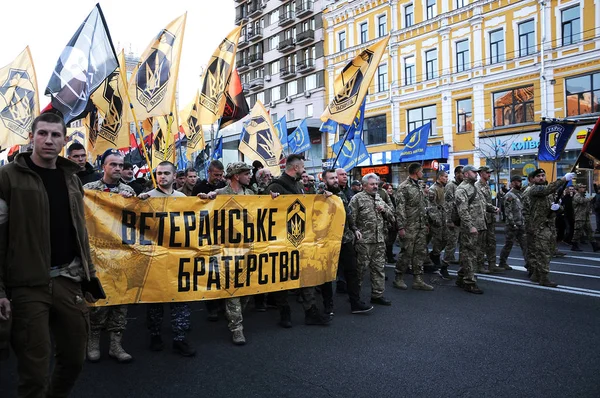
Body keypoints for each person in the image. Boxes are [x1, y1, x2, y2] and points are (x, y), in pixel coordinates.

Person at [0, 112, 102, 397]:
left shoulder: (71, 179)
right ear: (31, 137)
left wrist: (88, 275)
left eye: (55, 135)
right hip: (27, 286)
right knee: (34, 371)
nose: (48, 140)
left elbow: (80, 233)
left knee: (74, 359)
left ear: (64, 140)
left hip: (67, 281)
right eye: (42, 133)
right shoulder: (7, 178)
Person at [137, 161, 195, 356]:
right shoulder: (147, 198)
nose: (162, 176)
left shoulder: (182, 198)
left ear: (174, 175)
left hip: (178, 257)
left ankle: (180, 338)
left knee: (180, 298)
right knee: (155, 300)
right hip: (155, 257)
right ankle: (155, 335)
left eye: (166, 173)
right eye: (159, 173)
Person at [83, 149, 136, 363]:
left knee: (120, 301)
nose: (117, 168)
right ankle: (93, 340)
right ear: (103, 166)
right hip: (96, 254)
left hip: (120, 254)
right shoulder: (88, 190)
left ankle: (116, 344)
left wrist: (132, 201)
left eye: (120, 165)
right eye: (113, 164)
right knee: (97, 300)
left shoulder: (128, 190)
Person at [266, 154, 331, 327]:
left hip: (301, 238)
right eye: (303, 167)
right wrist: (270, 200)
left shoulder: (299, 185)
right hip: (282, 240)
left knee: (307, 274)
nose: (304, 170)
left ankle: (310, 311)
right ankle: (284, 312)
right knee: (282, 278)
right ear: (295, 168)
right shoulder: (275, 186)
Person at [321, 169, 373, 314]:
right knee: (327, 275)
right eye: (331, 179)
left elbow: (347, 213)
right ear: (324, 181)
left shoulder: (341, 194)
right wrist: (324, 197)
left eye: (335, 178)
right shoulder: (320, 196)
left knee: (352, 271)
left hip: (345, 239)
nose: (335, 181)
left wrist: (354, 228)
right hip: (328, 242)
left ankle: (355, 303)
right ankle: (328, 306)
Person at [349, 173, 394, 305]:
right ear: (364, 186)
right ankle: (355, 296)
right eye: (372, 184)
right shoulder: (357, 199)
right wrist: (355, 232)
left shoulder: (380, 198)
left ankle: (377, 295)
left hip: (379, 240)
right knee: (360, 269)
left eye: (376, 184)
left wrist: (384, 211)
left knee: (379, 268)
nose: (375, 186)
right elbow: (351, 220)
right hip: (364, 242)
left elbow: (392, 216)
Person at [527, 169, 575, 287]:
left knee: (547, 252)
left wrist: (557, 208)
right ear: (534, 179)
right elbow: (547, 190)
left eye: (543, 175)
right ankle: (543, 278)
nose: (541, 178)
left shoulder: (548, 193)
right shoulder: (534, 189)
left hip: (549, 226)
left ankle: (536, 275)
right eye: (538, 176)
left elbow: (556, 207)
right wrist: (563, 179)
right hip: (539, 227)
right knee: (543, 253)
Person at [454, 165, 498, 294]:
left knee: (469, 254)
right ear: (466, 174)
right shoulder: (461, 189)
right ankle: (470, 282)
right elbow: (463, 211)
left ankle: (461, 277)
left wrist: (493, 208)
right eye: (474, 172)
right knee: (470, 255)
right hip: (471, 228)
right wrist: (470, 226)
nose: (476, 174)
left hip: (480, 225)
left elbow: (482, 204)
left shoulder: (474, 188)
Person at [191, 160, 226, 322]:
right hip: (206, 234)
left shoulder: (224, 187)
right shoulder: (199, 188)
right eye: (216, 175)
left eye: (221, 174)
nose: (219, 177)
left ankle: (223, 304)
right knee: (210, 271)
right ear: (209, 172)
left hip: (223, 234)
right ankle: (212, 306)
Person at [393, 163, 434, 291]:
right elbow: (399, 209)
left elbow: (423, 206)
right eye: (421, 170)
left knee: (420, 253)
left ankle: (418, 280)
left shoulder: (420, 186)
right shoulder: (403, 187)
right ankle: (398, 278)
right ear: (416, 171)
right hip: (409, 225)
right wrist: (401, 227)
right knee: (406, 252)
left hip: (421, 225)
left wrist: (426, 223)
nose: (423, 173)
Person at [475, 166, 504, 273]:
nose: (489, 174)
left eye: (490, 173)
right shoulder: (477, 186)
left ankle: (492, 264)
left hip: (490, 219)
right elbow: (481, 202)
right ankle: (480, 265)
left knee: (492, 242)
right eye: (487, 173)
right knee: (481, 243)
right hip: (482, 218)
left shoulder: (487, 185)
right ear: (481, 173)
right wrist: (494, 208)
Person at [499, 176, 528, 270]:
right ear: (513, 183)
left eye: (520, 181)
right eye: (518, 181)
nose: (520, 183)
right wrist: (512, 223)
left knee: (525, 245)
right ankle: (502, 262)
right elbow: (508, 211)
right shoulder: (509, 195)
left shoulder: (520, 194)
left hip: (521, 223)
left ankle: (529, 264)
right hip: (512, 225)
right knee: (508, 244)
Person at [428, 170, 452, 279]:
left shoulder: (444, 187)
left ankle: (433, 255)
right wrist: (436, 220)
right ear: (440, 177)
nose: (447, 178)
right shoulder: (433, 189)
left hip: (445, 218)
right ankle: (435, 258)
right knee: (437, 240)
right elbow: (431, 206)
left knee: (446, 239)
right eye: (445, 177)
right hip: (438, 219)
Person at [443, 166, 463, 264]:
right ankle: (446, 261)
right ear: (456, 174)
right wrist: (449, 220)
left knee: (462, 241)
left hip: (462, 218)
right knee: (452, 241)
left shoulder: (463, 185)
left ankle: (460, 259)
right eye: (462, 173)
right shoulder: (450, 185)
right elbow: (448, 204)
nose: (464, 175)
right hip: (454, 218)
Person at [571, 183, 599, 252]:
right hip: (579, 217)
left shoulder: (583, 196)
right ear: (578, 188)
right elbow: (582, 201)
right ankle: (574, 245)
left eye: (584, 187)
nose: (584, 188)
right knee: (577, 232)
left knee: (589, 231)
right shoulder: (577, 196)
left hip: (585, 216)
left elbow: (587, 204)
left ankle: (594, 245)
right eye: (582, 187)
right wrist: (590, 198)